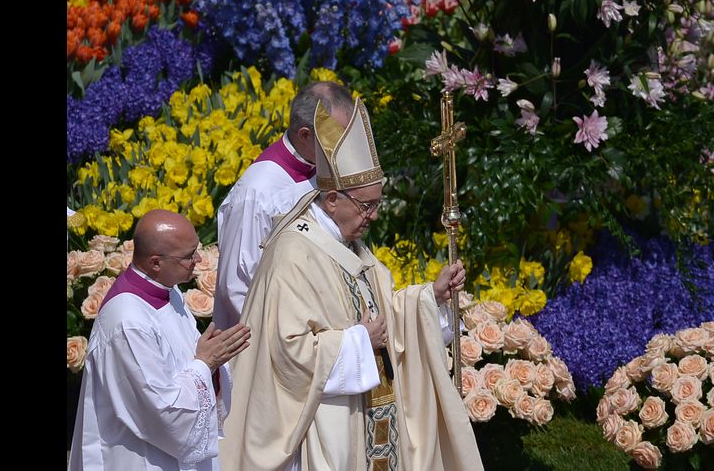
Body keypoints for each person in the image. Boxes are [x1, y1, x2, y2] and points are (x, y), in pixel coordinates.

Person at [219, 96, 483, 470]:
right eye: (366, 206)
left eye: (377, 204)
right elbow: (286, 351)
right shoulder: (293, 253)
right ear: (331, 199)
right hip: (321, 425)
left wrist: (430, 296)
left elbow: (380, 310)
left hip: (365, 413)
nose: (373, 216)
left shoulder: (350, 241)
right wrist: (356, 342)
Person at [69, 209, 252, 471]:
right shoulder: (126, 322)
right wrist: (206, 363)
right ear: (155, 263)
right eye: (189, 256)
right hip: (141, 455)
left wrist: (212, 359)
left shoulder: (168, 290)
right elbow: (160, 410)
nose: (199, 259)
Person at [213, 81, 354, 331]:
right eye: (336, 138)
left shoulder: (320, 165)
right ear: (305, 135)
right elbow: (237, 288)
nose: (343, 148)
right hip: (276, 340)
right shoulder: (258, 192)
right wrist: (293, 339)